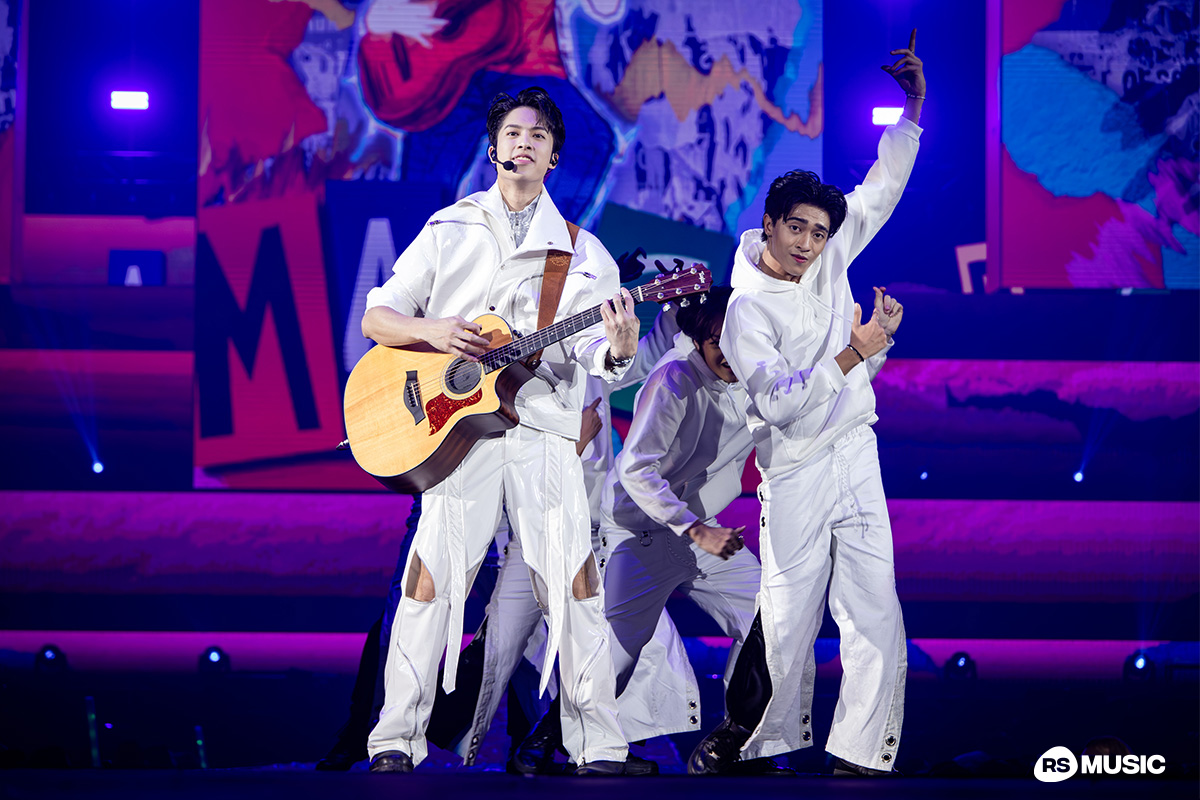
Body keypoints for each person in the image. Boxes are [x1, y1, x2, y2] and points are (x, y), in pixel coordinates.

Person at [361, 86, 640, 776]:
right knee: (429, 581)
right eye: (514, 132)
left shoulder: (581, 252)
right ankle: (396, 737)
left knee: (574, 584)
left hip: (543, 432)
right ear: (493, 148)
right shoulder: (448, 228)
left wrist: (619, 348)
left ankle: (597, 743)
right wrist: (433, 331)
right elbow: (378, 316)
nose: (524, 142)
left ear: (554, 157)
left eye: (539, 135)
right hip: (458, 434)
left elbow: (597, 354)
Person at [688, 31, 921, 777]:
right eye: (798, 228)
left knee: (874, 604)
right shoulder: (745, 310)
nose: (810, 245)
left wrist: (912, 109)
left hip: (855, 447)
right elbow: (782, 405)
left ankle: (862, 753)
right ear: (771, 224)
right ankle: (753, 740)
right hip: (792, 469)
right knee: (788, 615)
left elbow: (881, 189)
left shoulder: (829, 254)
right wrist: (857, 350)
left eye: (821, 233)